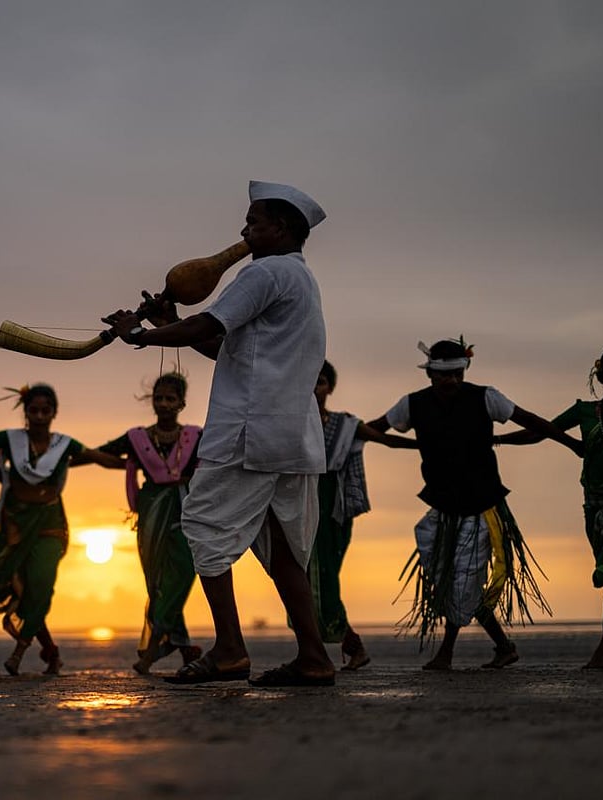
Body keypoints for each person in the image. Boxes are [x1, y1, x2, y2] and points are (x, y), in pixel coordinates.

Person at [104, 180, 334, 687]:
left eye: (254, 222)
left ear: (281, 227)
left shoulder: (264, 272)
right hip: (292, 437)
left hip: (249, 434)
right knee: (284, 549)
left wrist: (139, 334)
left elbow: (207, 327)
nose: (243, 231)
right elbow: (229, 350)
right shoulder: (300, 278)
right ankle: (314, 657)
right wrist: (174, 322)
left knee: (203, 527)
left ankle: (230, 650)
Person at [365, 338, 581, 670]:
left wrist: (570, 443)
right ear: (430, 375)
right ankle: (504, 646)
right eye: (443, 374)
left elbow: (531, 421)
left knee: (464, 578)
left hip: (481, 505)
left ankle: (446, 653)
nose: (450, 381)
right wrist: (399, 444)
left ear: (464, 370)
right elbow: (374, 430)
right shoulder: (412, 404)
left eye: (456, 373)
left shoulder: (486, 397)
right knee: (450, 578)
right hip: (442, 504)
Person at [0, 383, 121, 675]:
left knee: (41, 585)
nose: (40, 416)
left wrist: (140, 464)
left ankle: (19, 651)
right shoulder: (9, 439)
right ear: (25, 412)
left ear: (55, 412)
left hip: (49, 524)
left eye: (46, 410)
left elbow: (102, 460)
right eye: (34, 410)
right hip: (13, 523)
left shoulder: (64, 445)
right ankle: (52, 653)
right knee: (25, 589)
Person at [500, 347, 603, 668]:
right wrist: (498, 439)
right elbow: (542, 431)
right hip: (595, 506)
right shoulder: (585, 412)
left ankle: (602, 651)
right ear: (601, 376)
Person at [306, 360, 417, 671]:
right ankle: (333, 648)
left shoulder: (346, 426)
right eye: (309, 380)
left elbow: (386, 440)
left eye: (321, 382)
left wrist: (428, 445)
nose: (315, 388)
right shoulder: (290, 422)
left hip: (332, 510)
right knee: (301, 578)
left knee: (325, 579)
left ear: (330, 387)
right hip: (297, 503)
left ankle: (345, 647)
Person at [97, 372, 203, 674]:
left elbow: (217, 463)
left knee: (182, 574)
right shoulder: (138, 439)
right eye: (159, 398)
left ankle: (154, 646)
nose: (164, 404)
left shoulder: (196, 436)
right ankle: (184, 647)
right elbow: (101, 454)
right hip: (151, 515)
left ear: (182, 403)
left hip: (187, 512)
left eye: (171, 399)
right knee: (156, 582)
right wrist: (131, 463)